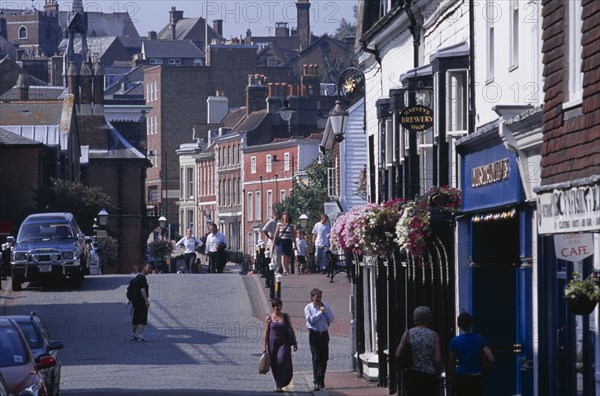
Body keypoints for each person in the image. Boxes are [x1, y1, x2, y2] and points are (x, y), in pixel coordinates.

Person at [395, 306, 442, 396]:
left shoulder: (408, 333)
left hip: (413, 374)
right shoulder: (434, 335)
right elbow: (438, 359)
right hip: (429, 375)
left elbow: (397, 354)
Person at [449, 312, 494, 396]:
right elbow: (491, 358)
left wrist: (453, 375)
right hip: (476, 377)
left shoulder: (454, 341)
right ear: (471, 324)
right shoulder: (480, 339)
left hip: (461, 377)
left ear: (459, 325)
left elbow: (451, 362)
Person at [263, 297, 298, 393]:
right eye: (276, 306)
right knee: (274, 363)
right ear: (273, 307)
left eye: (280, 305)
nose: (279, 307)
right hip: (272, 343)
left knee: (281, 361)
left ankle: (281, 382)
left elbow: (290, 328)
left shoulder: (286, 316)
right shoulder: (269, 318)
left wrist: (295, 342)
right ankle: (278, 384)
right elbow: (266, 333)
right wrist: (264, 347)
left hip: (284, 343)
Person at [304, 288, 334, 391]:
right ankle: (316, 381)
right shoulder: (308, 308)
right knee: (316, 358)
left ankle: (321, 380)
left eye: (320, 298)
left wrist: (325, 311)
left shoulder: (325, 306)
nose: (319, 300)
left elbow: (331, 319)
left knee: (324, 358)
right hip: (314, 335)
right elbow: (311, 321)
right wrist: (320, 313)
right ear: (312, 298)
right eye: (317, 298)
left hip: (324, 335)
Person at [129, 263, 152, 343]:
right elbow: (142, 290)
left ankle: (133, 335)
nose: (149, 270)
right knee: (142, 319)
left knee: (135, 318)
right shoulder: (142, 278)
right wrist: (146, 300)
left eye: (150, 268)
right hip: (141, 301)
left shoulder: (137, 277)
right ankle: (140, 336)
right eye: (148, 268)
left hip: (136, 301)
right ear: (144, 268)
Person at [272, 211, 297, 276]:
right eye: (284, 215)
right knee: (283, 255)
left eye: (287, 215)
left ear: (288, 217)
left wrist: (295, 244)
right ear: (283, 216)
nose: (285, 216)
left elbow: (293, 235)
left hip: (289, 241)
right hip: (282, 241)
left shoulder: (291, 225)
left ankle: (286, 268)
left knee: (288, 256)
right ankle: (284, 270)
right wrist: (273, 242)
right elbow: (276, 233)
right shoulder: (279, 224)